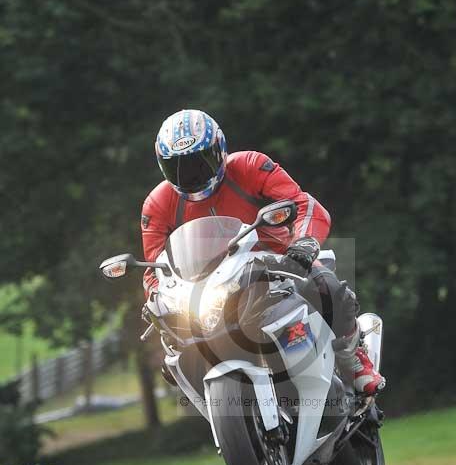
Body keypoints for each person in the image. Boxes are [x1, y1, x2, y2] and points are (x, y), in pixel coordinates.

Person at [141, 108, 385, 395]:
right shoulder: (157, 204)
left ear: (219, 150)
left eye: (199, 163)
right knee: (174, 350)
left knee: (327, 287)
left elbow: (304, 204)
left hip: (278, 263)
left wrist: (304, 245)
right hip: (206, 288)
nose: (191, 176)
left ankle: (352, 356)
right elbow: (153, 266)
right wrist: (157, 297)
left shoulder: (251, 165)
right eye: (178, 168)